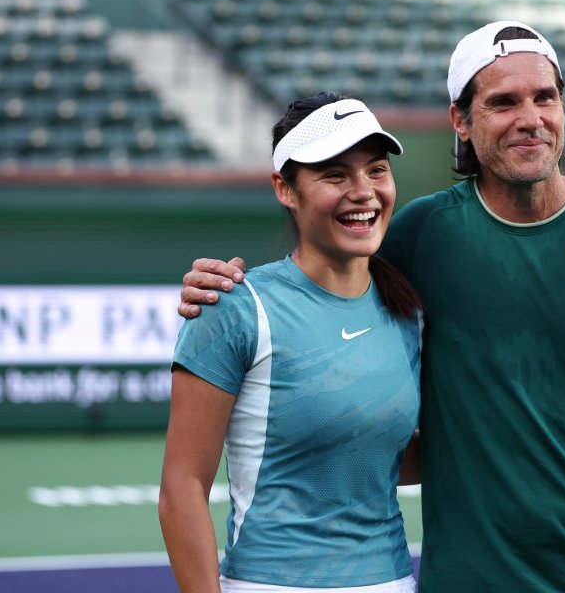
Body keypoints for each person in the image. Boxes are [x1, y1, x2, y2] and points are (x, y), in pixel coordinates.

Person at [178, 21, 565, 592]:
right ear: (461, 120)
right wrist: (220, 285)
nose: (530, 118)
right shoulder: (419, 235)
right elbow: (323, 275)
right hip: (468, 581)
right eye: (503, 102)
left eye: (545, 97)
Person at [159, 92, 425, 593]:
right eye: (335, 174)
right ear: (286, 188)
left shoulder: (407, 310)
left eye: (376, 170)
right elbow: (182, 488)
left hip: (391, 581)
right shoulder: (234, 307)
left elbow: (391, 460)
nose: (363, 191)